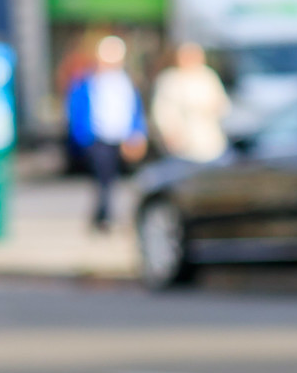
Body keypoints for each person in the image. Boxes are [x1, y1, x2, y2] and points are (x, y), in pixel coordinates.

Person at [67, 35, 146, 229]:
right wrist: (83, 137)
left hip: (122, 138)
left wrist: (137, 134)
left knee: (117, 180)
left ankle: (106, 215)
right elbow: (77, 110)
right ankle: (104, 216)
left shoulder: (126, 81)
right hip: (98, 138)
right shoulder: (89, 80)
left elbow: (135, 110)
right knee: (103, 179)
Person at [150, 41, 231, 163]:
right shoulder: (170, 80)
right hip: (183, 141)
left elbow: (222, 103)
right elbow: (162, 111)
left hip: (209, 139)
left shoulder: (207, 76)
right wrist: (169, 132)